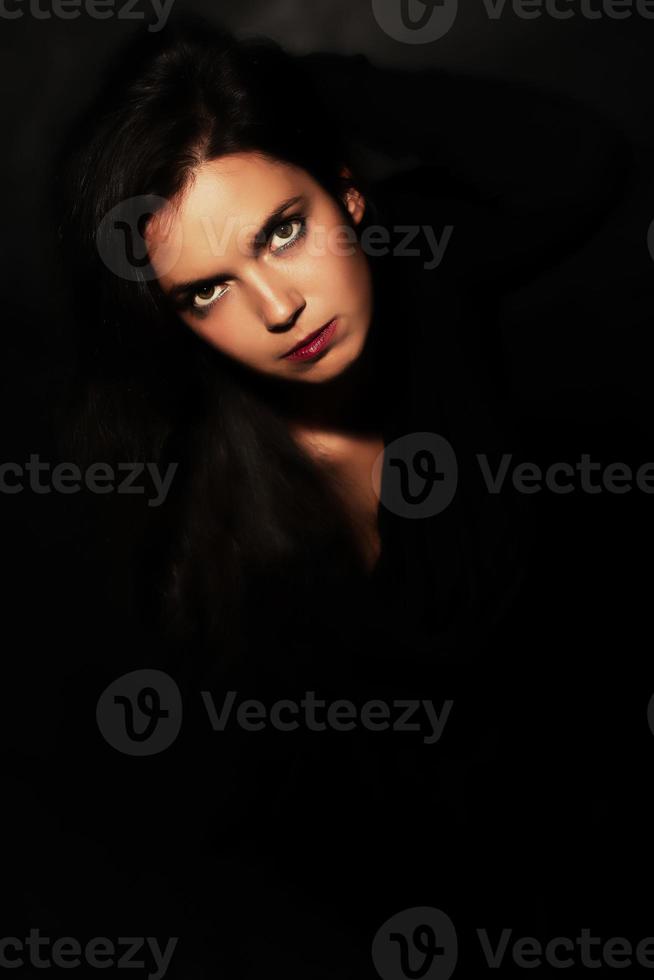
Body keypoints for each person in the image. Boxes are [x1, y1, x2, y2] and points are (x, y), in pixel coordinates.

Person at [49, 15, 629, 976]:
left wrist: (281, 89)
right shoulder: (190, 514)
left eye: (284, 231)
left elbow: (581, 159)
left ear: (350, 197)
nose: (279, 310)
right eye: (205, 291)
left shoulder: (424, 282)